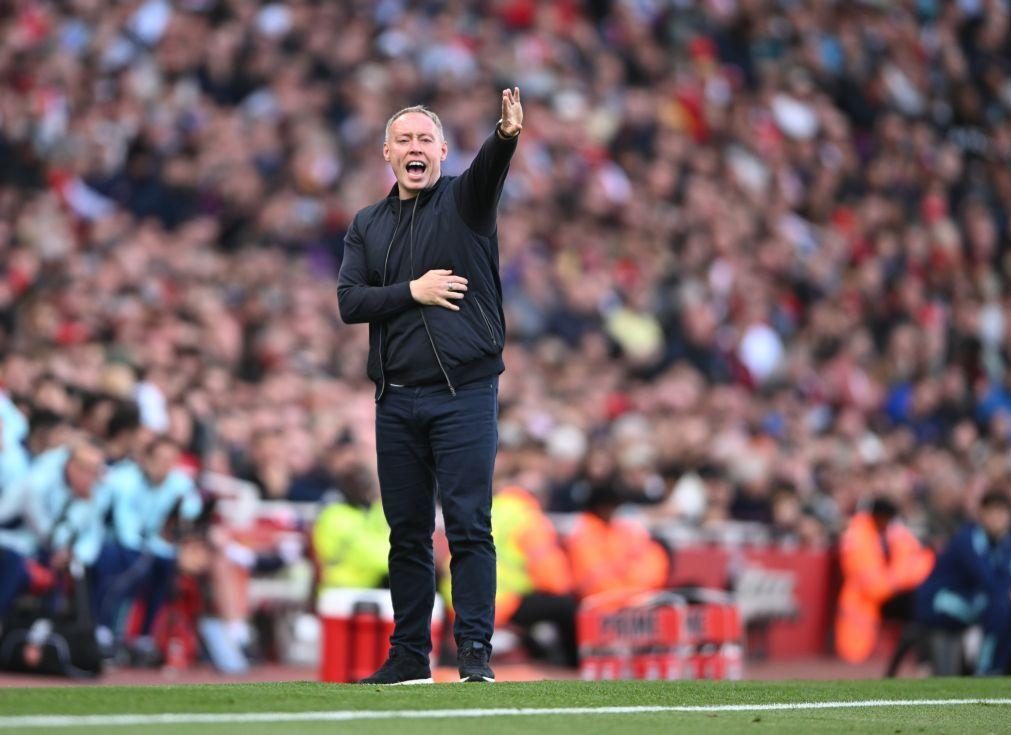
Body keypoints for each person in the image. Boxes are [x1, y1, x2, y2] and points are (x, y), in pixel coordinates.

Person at [337, 88, 523, 684]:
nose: (415, 148)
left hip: (463, 394)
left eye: (425, 139)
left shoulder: (466, 203)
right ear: (386, 153)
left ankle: (473, 653)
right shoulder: (367, 224)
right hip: (396, 399)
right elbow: (348, 302)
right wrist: (411, 291)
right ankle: (410, 655)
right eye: (404, 139)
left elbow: (489, 172)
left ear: (443, 150)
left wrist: (505, 140)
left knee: (469, 524)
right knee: (407, 532)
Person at [90, 435, 203, 662]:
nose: (164, 466)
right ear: (146, 459)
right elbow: (124, 527)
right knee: (126, 562)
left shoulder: (178, 483)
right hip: (117, 542)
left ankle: (145, 637)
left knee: (165, 565)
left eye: (170, 461)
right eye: (159, 459)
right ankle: (103, 630)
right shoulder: (124, 479)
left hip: (151, 547)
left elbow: (192, 510)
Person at [0, 439, 107, 619]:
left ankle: (38, 638)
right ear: (70, 464)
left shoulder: (92, 499)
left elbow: (93, 538)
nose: (87, 477)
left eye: (93, 473)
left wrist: (75, 555)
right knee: (14, 563)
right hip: (13, 537)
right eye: (83, 469)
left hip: (47, 553)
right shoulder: (44, 478)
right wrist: (60, 546)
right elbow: (35, 516)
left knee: (66, 579)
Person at [915, 490, 1011, 675]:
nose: (998, 519)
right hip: (939, 601)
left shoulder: (1004, 543)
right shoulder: (968, 539)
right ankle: (986, 669)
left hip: (972, 600)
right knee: (999, 607)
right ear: (982, 514)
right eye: (993, 513)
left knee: (1000, 606)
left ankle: (995, 666)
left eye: (1002, 513)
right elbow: (987, 579)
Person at [835, 497, 935, 663]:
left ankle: (920, 661)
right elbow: (872, 585)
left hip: (891, 592)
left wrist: (897, 580)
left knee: (923, 603)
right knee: (916, 607)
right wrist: (898, 580)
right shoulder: (858, 534)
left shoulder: (893, 532)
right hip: (869, 599)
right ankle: (917, 661)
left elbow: (919, 562)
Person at [567, 481, 670, 599]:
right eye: (613, 506)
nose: (615, 511)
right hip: (604, 603)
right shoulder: (584, 537)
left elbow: (649, 563)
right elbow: (599, 584)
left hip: (628, 597)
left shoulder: (615, 530)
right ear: (602, 507)